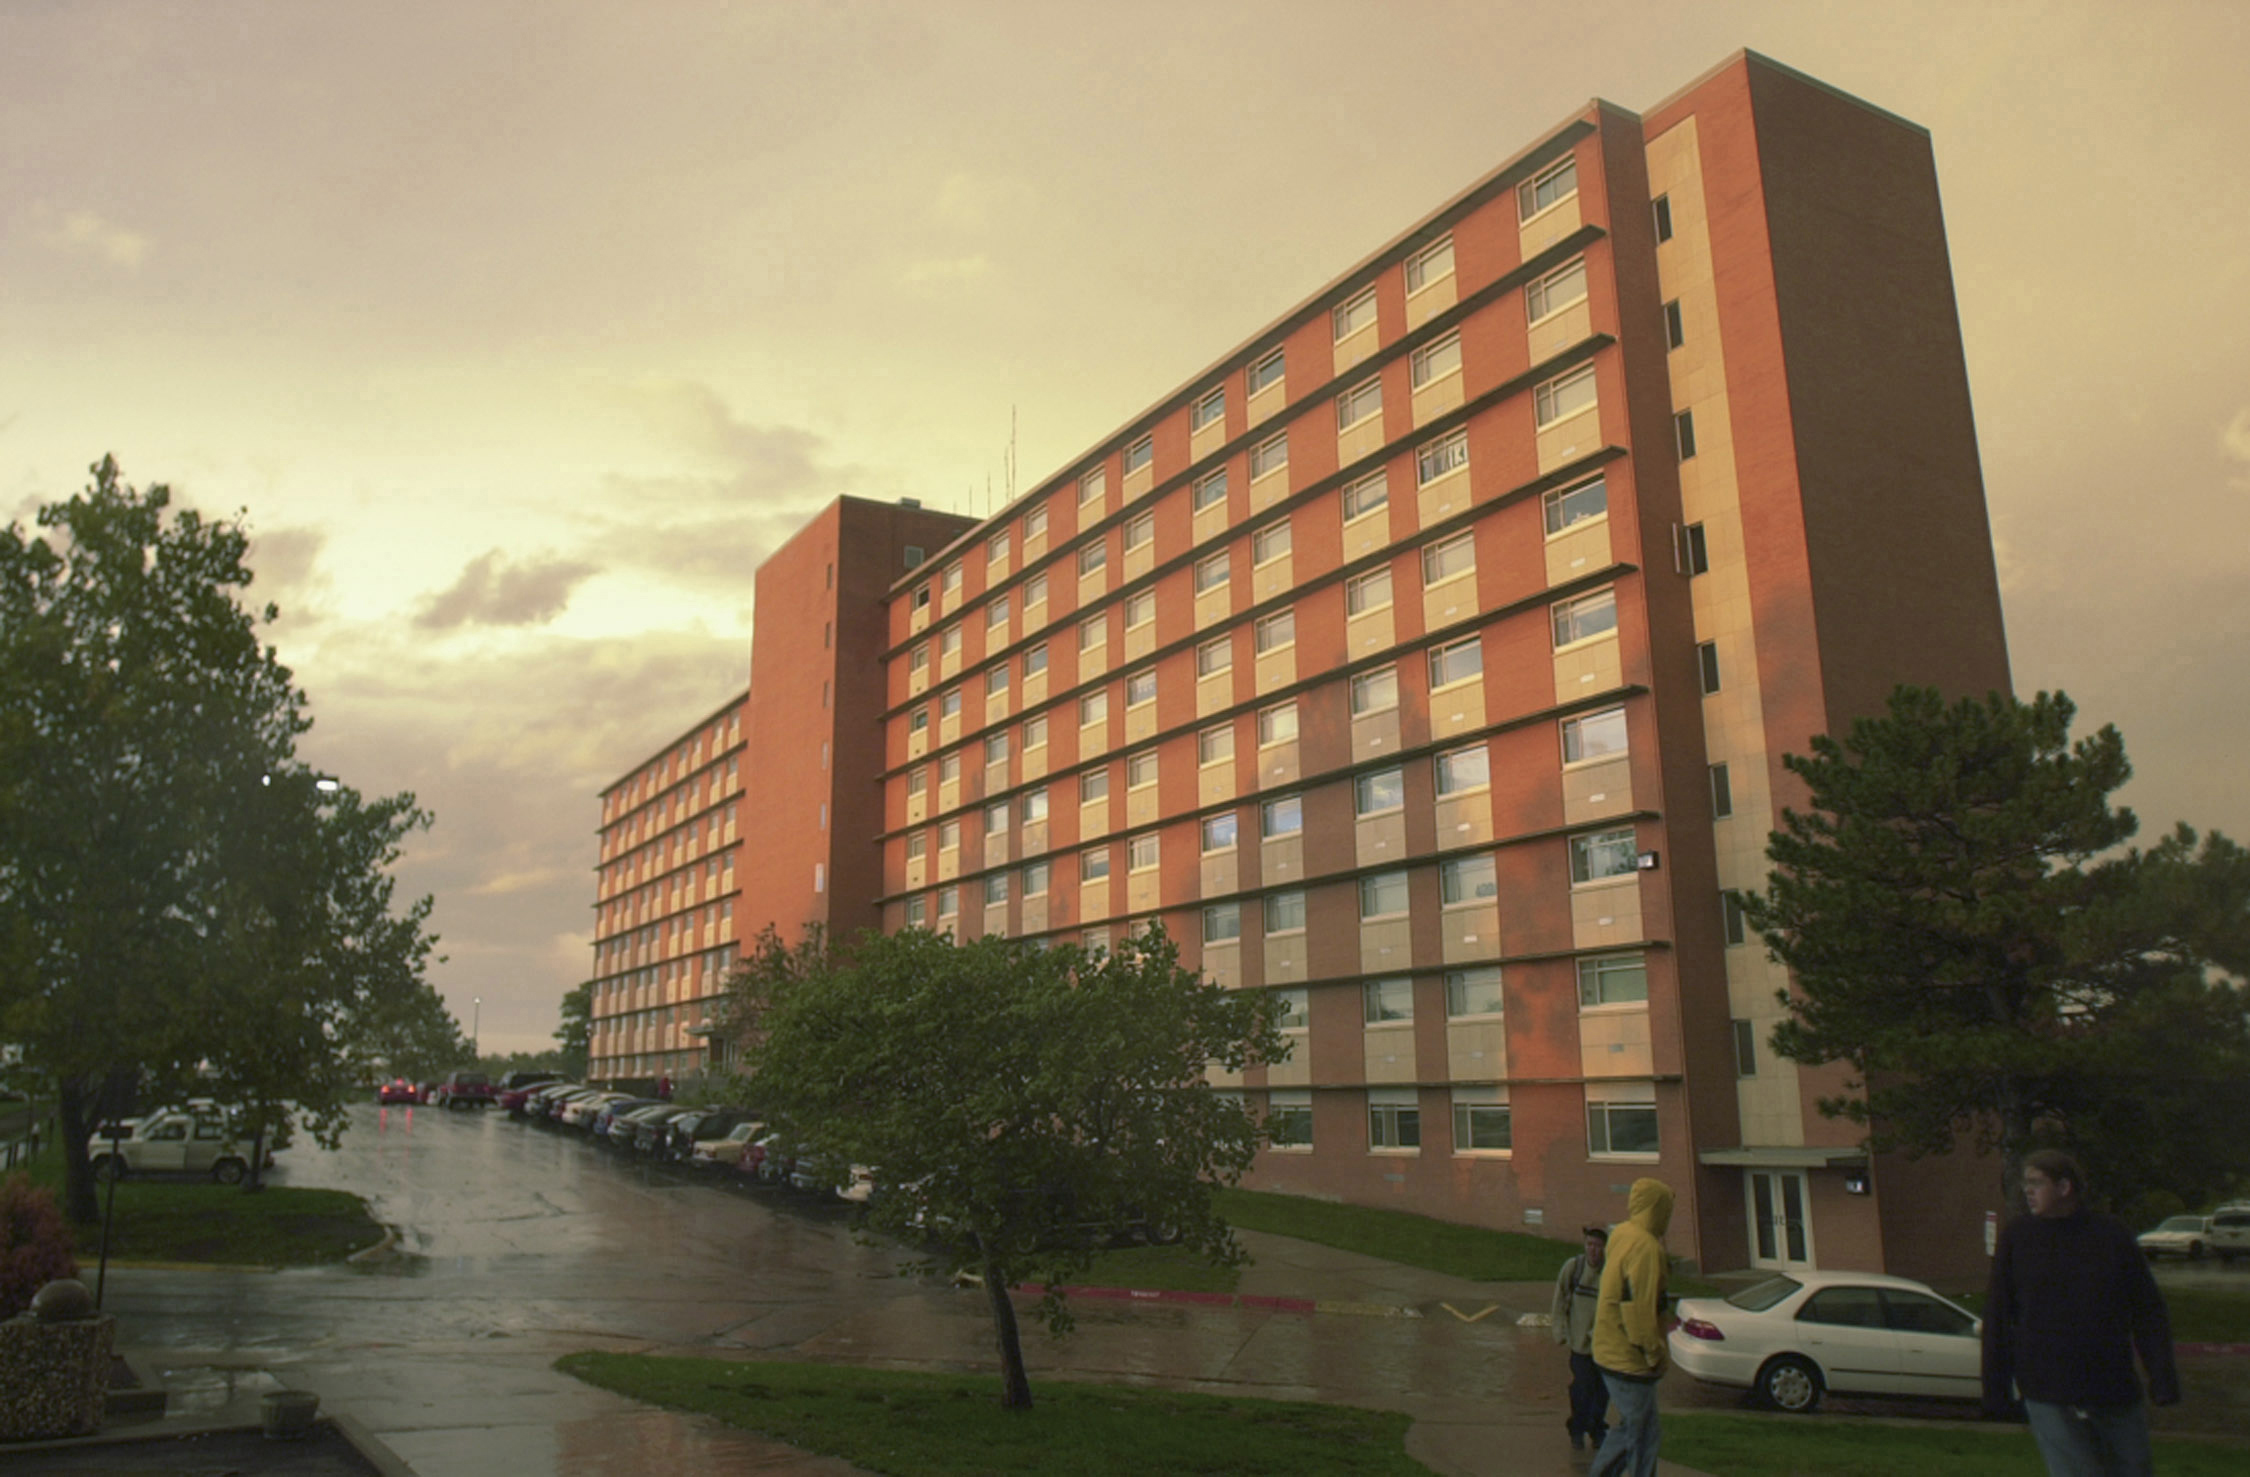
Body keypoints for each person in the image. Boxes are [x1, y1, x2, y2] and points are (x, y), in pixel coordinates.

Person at [1983, 1149, 2179, 1477]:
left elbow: (2148, 1310)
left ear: (2064, 1187)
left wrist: (2162, 1377)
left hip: (2112, 1388)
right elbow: (1998, 1316)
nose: (2027, 1191)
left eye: (2036, 1183)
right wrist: (1996, 1390)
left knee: (2134, 1469)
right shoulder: (2018, 1239)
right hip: (2048, 1390)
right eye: (2025, 1183)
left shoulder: (2111, 1236)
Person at [1589, 1177, 1672, 1477]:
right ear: (1656, 1209)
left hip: (1608, 1347)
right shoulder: (1646, 1248)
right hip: (1629, 1358)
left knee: (1637, 1429)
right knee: (1641, 1435)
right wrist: (1654, 1354)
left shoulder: (1622, 1234)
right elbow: (1638, 1309)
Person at [1551, 1224, 1611, 1450]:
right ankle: (1577, 1429)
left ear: (1604, 1248)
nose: (1593, 1250)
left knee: (1602, 1391)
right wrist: (1559, 1331)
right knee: (1582, 1388)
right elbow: (1559, 1299)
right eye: (1589, 1244)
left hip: (1604, 1346)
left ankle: (1597, 1430)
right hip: (1579, 1346)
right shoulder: (1573, 1268)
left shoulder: (1610, 1272)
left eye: (1598, 1245)